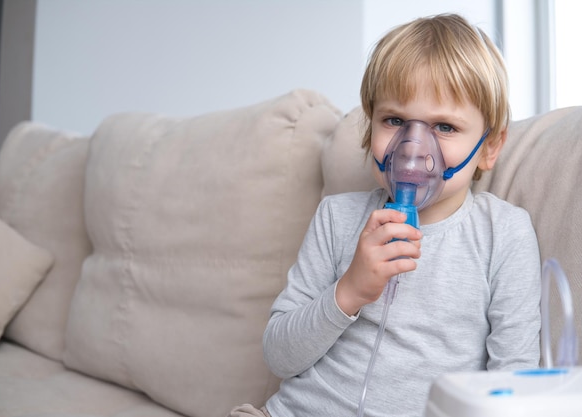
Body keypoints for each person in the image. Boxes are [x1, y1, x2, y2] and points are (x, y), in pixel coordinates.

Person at [229, 13, 541, 417]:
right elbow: (279, 357)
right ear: (369, 128)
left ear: (489, 147)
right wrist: (349, 291)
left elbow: (513, 379)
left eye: (444, 127)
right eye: (394, 121)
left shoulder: (503, 235)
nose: (413, 147)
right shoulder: (337, 218)